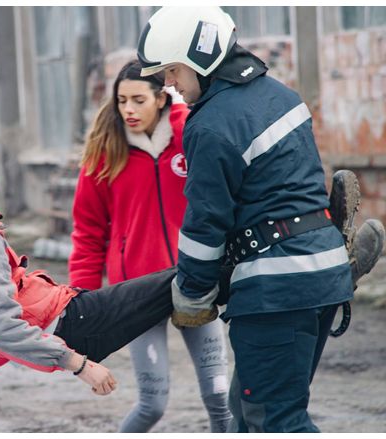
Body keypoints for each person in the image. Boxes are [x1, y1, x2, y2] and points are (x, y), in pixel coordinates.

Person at [137, 6, 385, 432]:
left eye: (172, 71)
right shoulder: (283, 97)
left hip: (275, 291)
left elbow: (205, 221)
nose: (169, 85)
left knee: (276, 422)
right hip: (319, 277)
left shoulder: (211, 125)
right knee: (245, 419)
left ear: (202, 60)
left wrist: (192, 294)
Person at [0, 136, 200, 396]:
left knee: (174, 280)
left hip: (64, 312)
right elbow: (1, 329)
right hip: (67, 325)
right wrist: (79, 365)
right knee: (182, 277)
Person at [68, 59, 231, 432]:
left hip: (193, 279)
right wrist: (84, 299)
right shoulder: (104, 153)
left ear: (161, 98)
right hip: (137, 291)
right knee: (152, 404)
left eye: (138, 100)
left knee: (220, 397)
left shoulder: (191, 133)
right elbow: (88, 233)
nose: (128, 109)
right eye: (122, 100)